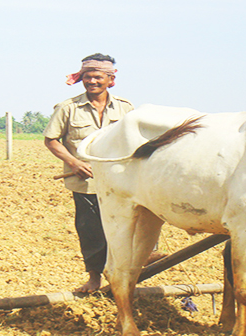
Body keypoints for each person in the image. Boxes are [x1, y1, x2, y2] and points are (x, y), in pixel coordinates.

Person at [44, 53, 160, 293]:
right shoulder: (68, 108)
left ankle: (141, 258)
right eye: (87, 77)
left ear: (110, 79)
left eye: (97, 77)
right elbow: (51, 140)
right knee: (92, 230)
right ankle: (94, 277)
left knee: (135, 218)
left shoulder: (126, 108)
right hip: (85, 182)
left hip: (120, 181)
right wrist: (73, 163)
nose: (92, 81)